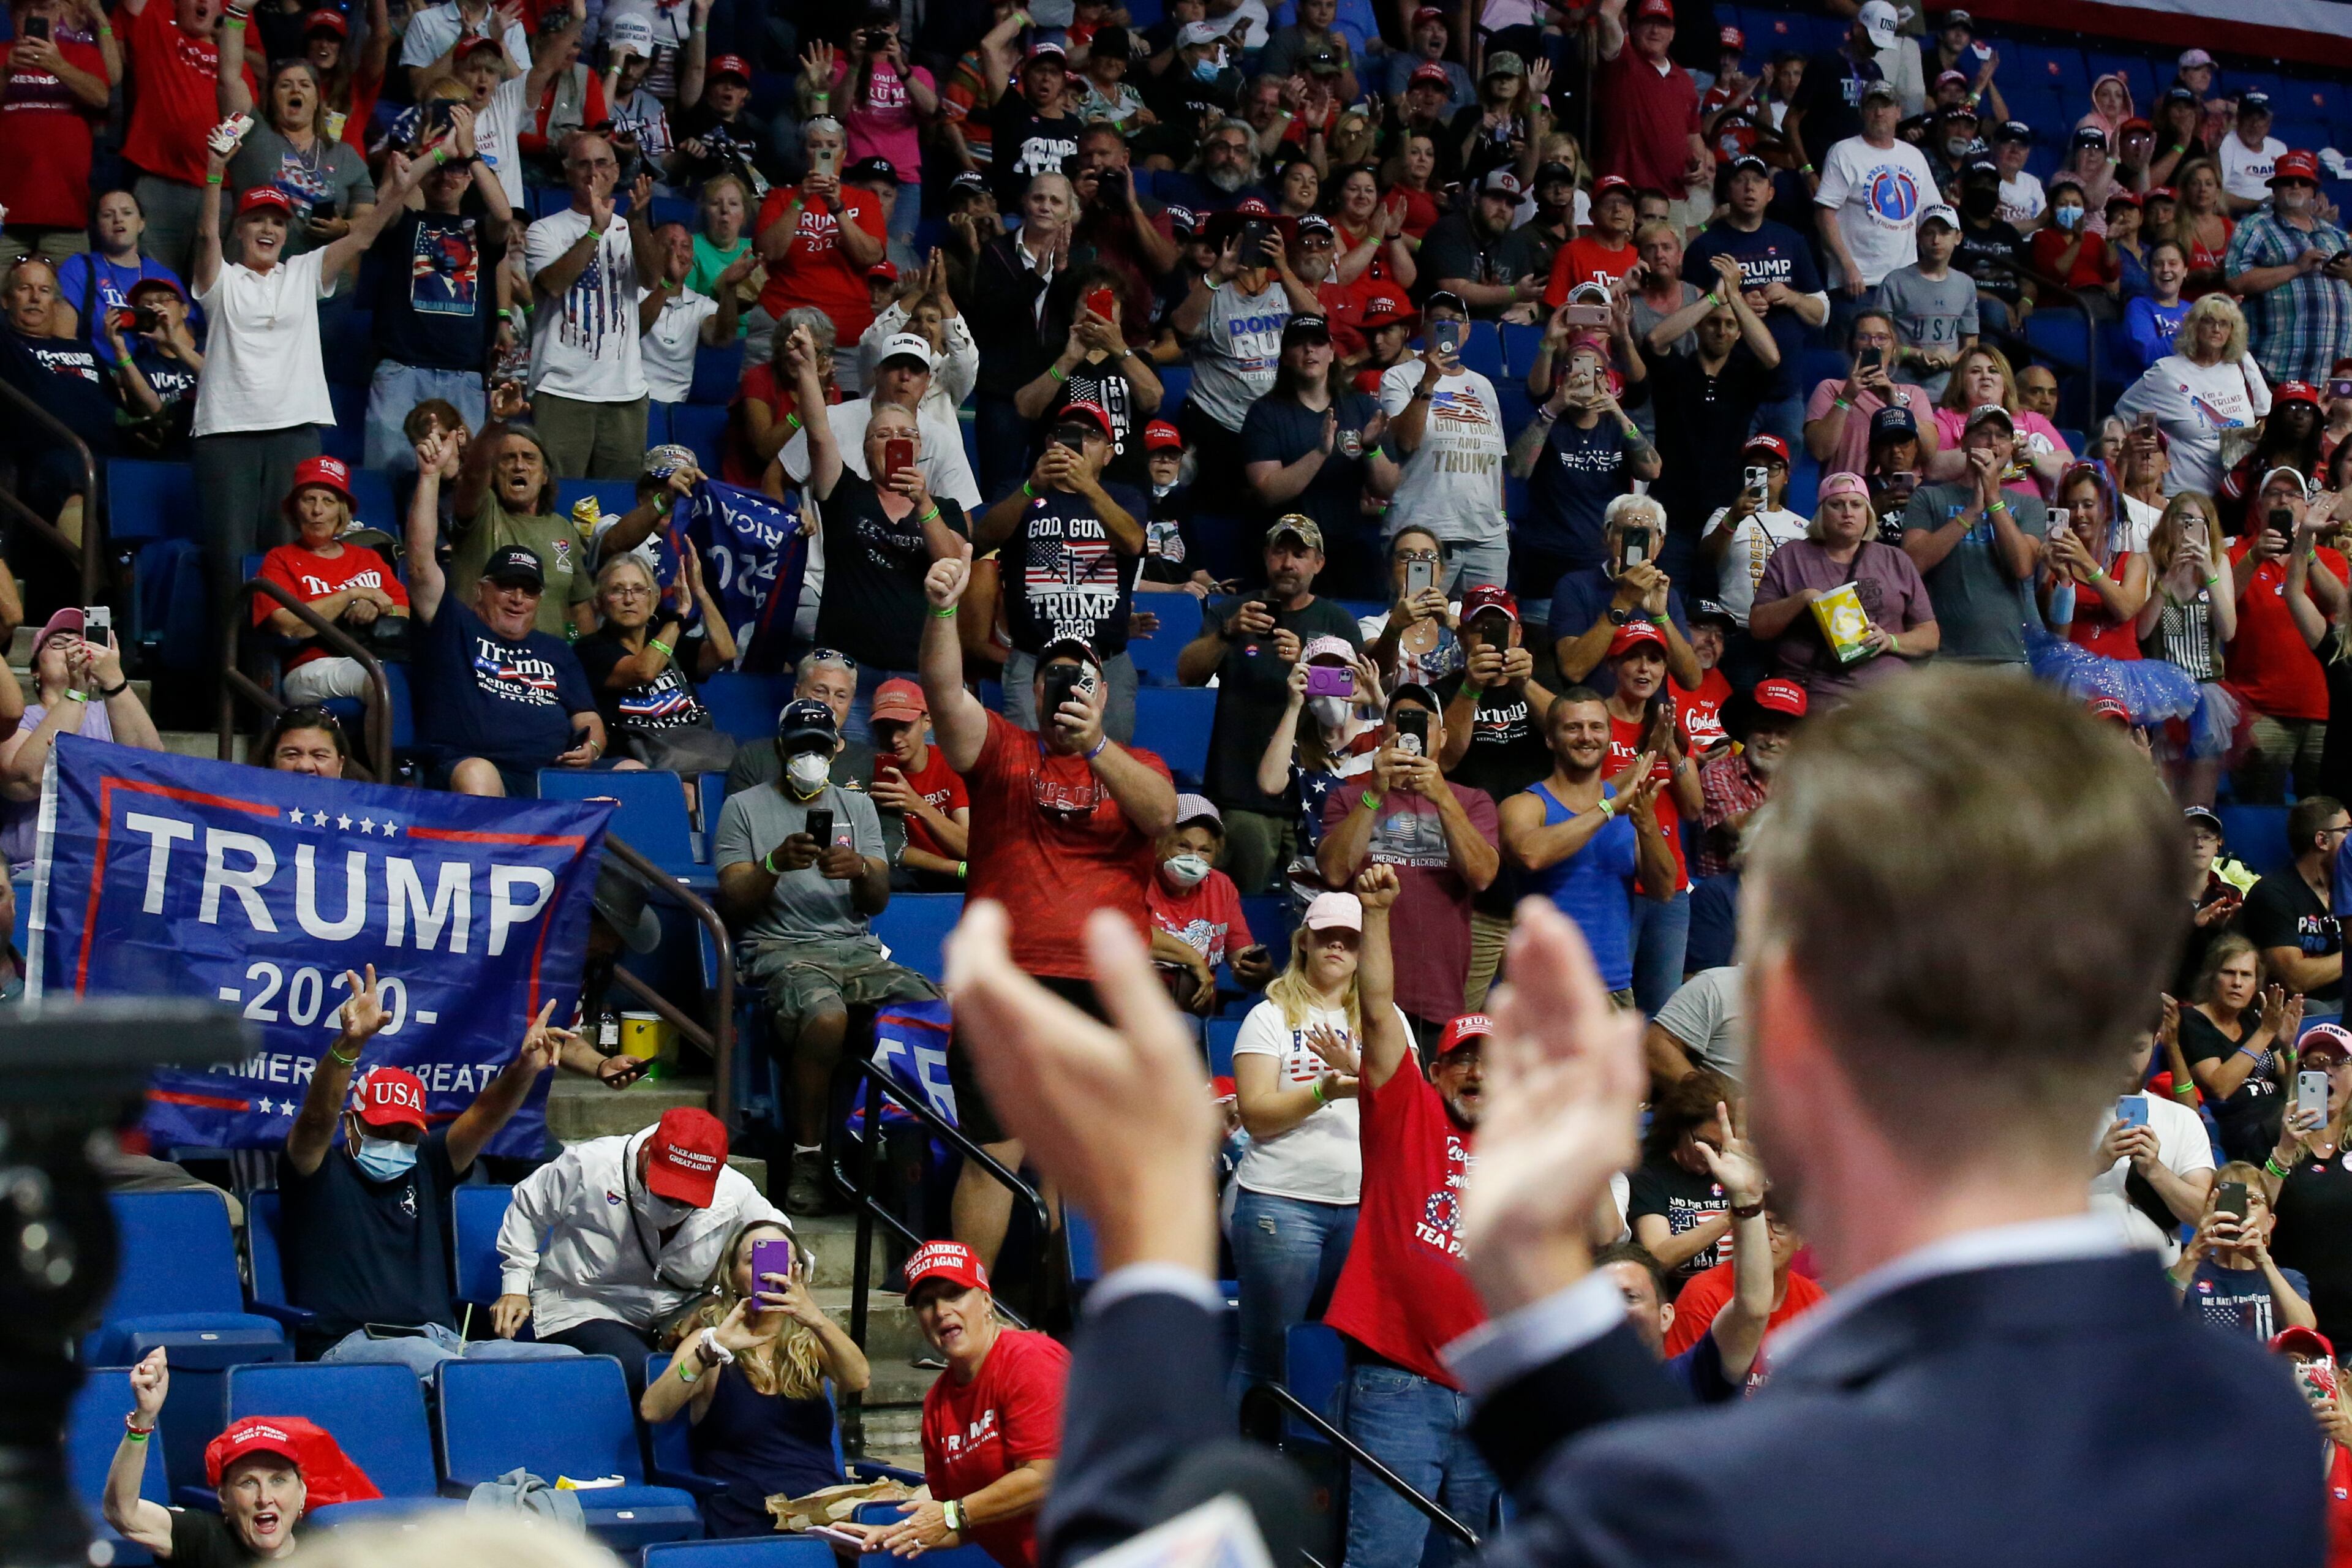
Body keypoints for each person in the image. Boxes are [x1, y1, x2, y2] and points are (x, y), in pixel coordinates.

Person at [918, 538, 1176, 1265]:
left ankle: (1067, 1316)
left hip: (1103, 985)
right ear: (1032, 691)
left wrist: (1096, 747)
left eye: (1080, 677)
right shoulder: (1004, 749)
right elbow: (942, 694)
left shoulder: (1139, 765)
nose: (1064, 687)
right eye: (1052, 675)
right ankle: (969, 1312)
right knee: (994, 1154)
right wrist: (942, 609)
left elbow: (1162, 816)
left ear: (1102, 692)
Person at [1299, 869, 1499, 1568]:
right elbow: (1380, 1009)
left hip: (1492, 1395)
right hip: (1400, 1384)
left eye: (1493, 1063)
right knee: (1383, 1560)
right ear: (1437, 1072)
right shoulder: (1405, 1109)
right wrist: (1378, 913)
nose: (1478, 1072)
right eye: (1462, 1060)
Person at [190, 121, 423, 657]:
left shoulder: (302, 272)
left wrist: (398, 190)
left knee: (289, 566)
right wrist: (214, 175)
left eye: (276, 220)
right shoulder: (220, 279)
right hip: (226, 436)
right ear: (241, 229)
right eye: (257, 221)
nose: (268, 228)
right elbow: (205, 236)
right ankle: (232, 692)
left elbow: (363, 236)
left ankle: (289, 682)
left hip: (294, 433)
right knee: (231, 567)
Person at [715, 696, 940, 1213]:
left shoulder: (857, 806)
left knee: (928, 1006)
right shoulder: (743, 807)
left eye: (819, 747)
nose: (809, 757)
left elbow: (878, 899)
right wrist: (774, 863)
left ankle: (920, 1154)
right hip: (780, 949)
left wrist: (861, 869)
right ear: (780, 749)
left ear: (835, 750)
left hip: (855, 949)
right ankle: (808, 1157)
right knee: (825, 1015)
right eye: (799, 748)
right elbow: (733, 900)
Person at [279, 970, 565, 1363]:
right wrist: (350, 1045)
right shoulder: (314, 1172)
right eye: (383, 1130)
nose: (396, 1143)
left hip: (442, 1341)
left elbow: (486, 1115)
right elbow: (315, 1119)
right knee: (441, 1367)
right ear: (350, 1124)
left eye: (406, 1134)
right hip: (351, 1345)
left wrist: (525, 1069)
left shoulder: (427, 1164)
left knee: (562, 1361)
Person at [1225, 887, 1398, 1387]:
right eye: (1327, 936)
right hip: (1283, 1205)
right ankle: (1240, 1466)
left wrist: (1358, 1072)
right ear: (1304, 942)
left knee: (1337, 1356)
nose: (1337, 947)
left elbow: (1411, 1106)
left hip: (1364, 1207)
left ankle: (1311, 1461)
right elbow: (1256, 1116)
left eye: (1350, 939)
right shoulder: (1269, 1016)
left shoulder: (1387, 1021)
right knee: (1266, 1358)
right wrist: (1324, 1089)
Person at [494, 1107, 786, 1386]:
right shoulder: (590, 1165)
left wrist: (752, 1305)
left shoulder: (734, 1190)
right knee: (648, 1375)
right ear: (648, 1154)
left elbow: (777, 1238)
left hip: (676, 1315)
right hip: (587, 1304)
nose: (674, 1207)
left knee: (739, 1378)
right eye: (668, 1194)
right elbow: (527, 1208)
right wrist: (516, 1286)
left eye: (687, 1201)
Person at [404, 431, 607, 797]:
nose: (517, 599)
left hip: (551, 776)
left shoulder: (558, 651)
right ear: (481, 590)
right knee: (477, 776)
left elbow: (587, 718)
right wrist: (430, 477)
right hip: (478, 771)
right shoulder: (455, 628)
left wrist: (591, 747)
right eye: (506, 587)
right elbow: (420, 566)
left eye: (528, 591)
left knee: (636, 773)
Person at [641, 1219, 870, 1539]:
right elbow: (654, 1409)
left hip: (823, 1520)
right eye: (753, 1261)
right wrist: (706, 1355)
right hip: (746, 1521)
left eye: (783, 1262)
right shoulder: (708, 1341)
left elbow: (858, 1379)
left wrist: (815, 1318)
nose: (768, 1272)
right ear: (732, 1277)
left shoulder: (811, 1341)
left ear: (798, 1274)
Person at [839, 1242, 1063, 1568]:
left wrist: (951, 1513)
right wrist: (893, 1536)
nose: (942, 1311)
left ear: (987, 1300)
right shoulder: (938, 1403)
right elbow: (965, 1522)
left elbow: (1046, 1476)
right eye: (927, 1303)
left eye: (954, 1294)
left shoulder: (1030, 1360)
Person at [1182, 518, 1364, 893]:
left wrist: (1309, 666)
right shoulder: (1233, 612)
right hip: (1242, 795)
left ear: (1319, 563)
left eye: (1300, 554)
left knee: (1317, 914)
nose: (1288, 563)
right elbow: (1187, 674)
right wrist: (1227, 633)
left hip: (1318, 795)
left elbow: (1355, 695)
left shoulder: (1336, 621)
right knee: (1244, 905)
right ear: (1266, 556)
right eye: (1279, 551)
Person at [1316, 685, 1500, 1044]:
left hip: (1438, 996)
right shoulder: (1349, 798)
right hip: (1354, 997)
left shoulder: (1473, 802)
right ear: (1384, 735)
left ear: (1443, 737)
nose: (1410, 734)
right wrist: (1375, 793)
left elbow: (1482, 876)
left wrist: (1442, 796)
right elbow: (1335, 871)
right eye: (1399, 723)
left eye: (1422, 723)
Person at [969, 401, 1146, 739]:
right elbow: (983, 537)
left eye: (1092, 436)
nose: (1078, 443)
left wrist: (1089, 488)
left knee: (1110, 770)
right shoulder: (1017, 490)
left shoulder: (1125, 496)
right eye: (1069, 434)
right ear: (1051, 443)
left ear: (1108, 454)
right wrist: (1032, 487)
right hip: (1032, 657)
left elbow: (1134, 542)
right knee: (1025, 768)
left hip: (1106, 661)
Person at [1500, 685, 1676, 1005]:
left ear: (1609, 737)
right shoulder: (1527, 804)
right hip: (1542, 991)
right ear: (1550, 739)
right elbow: (1531, 854)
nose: (1586, 736)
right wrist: (1608, 809)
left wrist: (1647, 825)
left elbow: (1663, 889)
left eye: (1596, 727)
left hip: (1614, 989)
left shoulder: (1626, 807)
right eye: (1573, 727)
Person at [105, 1359, 376, 1562]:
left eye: (278, 1480)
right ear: (224, 1497)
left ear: (302, 1492)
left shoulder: (324, 1550)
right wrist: (144, 1420)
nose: (264, 1497)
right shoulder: (204, 1537)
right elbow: (123, 1514)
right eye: (248, 1483)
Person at [360, 103, 508, 472]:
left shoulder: (480, 228)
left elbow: (505, 215)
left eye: (457, 172)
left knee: (461, 486)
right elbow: (389, 195)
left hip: (464, 374)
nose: (446, 176)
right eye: (439, 169)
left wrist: (469, 153)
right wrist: (442, 151)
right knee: (388, 475)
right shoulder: (405, 222)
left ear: (471, 177)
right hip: (401, 370)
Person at [524, 140, 660, 480]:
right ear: (568, 173)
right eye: (584, 164)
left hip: (625, 393)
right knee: (555, 495)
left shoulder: (630, 229)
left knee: (619, 502)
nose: (594, 173)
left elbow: (653, 278)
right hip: (561, 390)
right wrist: (597, 229)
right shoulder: (544, 230)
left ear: (616, 173)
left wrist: (639, 220)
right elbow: (554, 283)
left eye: (602, 164)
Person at [1747, 473, 1937, 704]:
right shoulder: (1790, 557)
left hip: (1885, 695)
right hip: (1815, 691)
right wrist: (1803, 599)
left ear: (1868, 513)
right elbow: (1758, 627)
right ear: (1821, 514)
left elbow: (1929, 636)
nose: (1847, 512)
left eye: (1856, 505)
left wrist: (1890, 641)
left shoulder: (1895, 559)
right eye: (1836, 505)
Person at [0, 609, 165, 870]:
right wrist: (76, 693)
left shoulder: (112, 711)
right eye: (58, 643)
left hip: (107, 871)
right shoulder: (18, 718)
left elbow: (151, 770)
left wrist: (114, 679)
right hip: (35, 871)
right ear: (35, 669)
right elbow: (25, 781)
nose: (72, 648)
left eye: (80, 640)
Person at [1508, 325, 1662, 597]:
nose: (1585, 378)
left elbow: (1652, 470)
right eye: (1576, 369)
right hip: (1548, 563)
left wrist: (1617, 412)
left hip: (1605, 563)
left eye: (1595, 371)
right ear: (1562, 378)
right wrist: (1554, 407)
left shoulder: (1618, 427)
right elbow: (1518, 470)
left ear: (1607, 379)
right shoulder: (1546, 422)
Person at [254, 456, 410, 712]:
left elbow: (403, 612)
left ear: (342, 510)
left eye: (328, 501)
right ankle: (384, 755)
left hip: (373, 656)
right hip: (310, 668)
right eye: (309, 500)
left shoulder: (368, 558)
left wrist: (378, 609)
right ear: (295, 508)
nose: (318, 511)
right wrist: (350, 596)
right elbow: (287, 624)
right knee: (382, 678)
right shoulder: (280, 559)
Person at [1896, 402, 2045, 669]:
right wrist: (1972, 512)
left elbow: (2023, 567)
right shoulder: (1930, 497)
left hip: (2009, 654)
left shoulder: (2029, 505)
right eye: (1983, 434)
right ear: (1964, 443)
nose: (1992, 443)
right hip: (1942, 656)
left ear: (2011, 448)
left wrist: (1992, 499)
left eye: (2002, 436)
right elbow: (1912, 564)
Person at [1379, 310, 1507, 595]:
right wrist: (1428, 382)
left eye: (1454, 320)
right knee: (1415, 621)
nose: (1445, 325)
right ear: (1424, 329)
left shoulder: (1484, 385)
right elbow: (1407, 442)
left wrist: (1502, 520)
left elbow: (1496, 461)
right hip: (1422, 533)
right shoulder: (1397, 377)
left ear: (1467, 331)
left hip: (1487, 538)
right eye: (1437, 319)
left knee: (1485, 626)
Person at [575, 552, 739, 774]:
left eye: (639, 590)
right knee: (688, 795)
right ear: (601, 602)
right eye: (617, 590)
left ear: (653, 602)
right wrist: (679, 615)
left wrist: (700, 592)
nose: (629, 599)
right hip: (639, 759)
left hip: (693, 750)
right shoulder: (590, 649)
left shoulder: (670, 642)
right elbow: (643, 671)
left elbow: (726, 652)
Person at [2232, 467, 2340, 802]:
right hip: (2258, 712)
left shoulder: (2329, 558)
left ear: (2306, 508)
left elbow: (2340, 604)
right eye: (2274, 493)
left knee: (2324, 815)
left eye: (2293, 494)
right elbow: (2217, 608)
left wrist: (2305, 552)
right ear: (2259, 506)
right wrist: (2254, 558)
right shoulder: (2236, 553)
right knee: (2256, 812)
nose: (2283, 500)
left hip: (2323, 711)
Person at [750, 117, 888, 371]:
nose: (824, 151)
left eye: (832, 145)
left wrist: (837, 207)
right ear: (805, 152)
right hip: (781, 320)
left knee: (846, 408)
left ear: (844, 153)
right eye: (815, 145)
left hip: (846, 333)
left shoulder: (864, 200)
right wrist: (801, 199)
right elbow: (768, 252)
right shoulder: (781, 197)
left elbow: (870, 256)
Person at [2114, 292, 2272, 497]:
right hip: (2184, 495)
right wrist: (2154, 443)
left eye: (2224, 324)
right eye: (2209, 322)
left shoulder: (2242, 362)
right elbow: (2125, 410)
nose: (2217, 329)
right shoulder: (2166, 372)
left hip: (2235, 496)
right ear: (2195, 326)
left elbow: (2264, 413)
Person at [2087, 1016, 2216, 1259]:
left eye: (2138, 1048)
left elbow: (2203, 1213)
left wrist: (2156, 1171)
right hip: (2085, 1273)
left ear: (2157, 1041)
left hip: (2157, 1277)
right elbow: (2030, 1200)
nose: (2126, 1060)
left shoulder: (2183, 1119)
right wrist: (2096, 1163)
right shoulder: (2062, 1116)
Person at [2225, 152, 2352, 391]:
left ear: (2314, 191)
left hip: (2335, 377)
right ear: (2274, 189)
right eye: (2288, 181)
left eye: (2303, 182)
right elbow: (2236, 281)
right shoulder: (2255, 227)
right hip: (2276, 370)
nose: (2296, 186)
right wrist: (2295, 268)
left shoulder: (2335, 234)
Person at [2261, 1028, 2352, 1350]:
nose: (2327, 1070)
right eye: (2316, 1063)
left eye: (2340, 1062)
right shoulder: (2271, 1134)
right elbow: (2252, 1216)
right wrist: (2284, 1151)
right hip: (2296, 1332)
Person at [1593, 0, 1708, 239]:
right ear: (1634, 28)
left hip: (1672, 199)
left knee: (1671, 270)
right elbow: (1606, 13)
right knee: (1625, 267)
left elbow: (1693, 136)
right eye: (1648, 23)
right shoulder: (1622, 59)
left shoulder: (1686, 82)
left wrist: (1699, 164)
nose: (1655, 31)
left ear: (1673, 32)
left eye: (1663, 24)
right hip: (1626, 193)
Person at [1815, 80, 1937, 303]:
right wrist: (1848, 267)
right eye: (1872, 106)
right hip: (1857, 284)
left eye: (1886, 106)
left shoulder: (1914, 157)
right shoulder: (1844, 152)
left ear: (1898, 112)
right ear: (1862, 112)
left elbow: (1931, 215)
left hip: (1904, 286)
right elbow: (1825, 213)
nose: (1879, 112)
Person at [2181, 933, 2299, 1165]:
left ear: (2256, 985)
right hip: (2239, 1127)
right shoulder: (2192, 1020)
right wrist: (2266, 1033)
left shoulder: (2253, 1020)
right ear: (2212, 976)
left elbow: (2292, 1087)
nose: (2237, 983)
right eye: (2229, 973)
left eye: (2246, 975)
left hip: (2278, 1116)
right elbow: (2220, 1086)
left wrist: (2287, 1047)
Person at [2242, 794, 2348, 1022]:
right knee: (2314, 1009)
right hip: (2292, 1009)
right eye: (2347, 831)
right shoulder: (2274, 894)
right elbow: (2295, 978)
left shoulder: (2345, 888)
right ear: (2322, 840)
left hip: (2342, 998)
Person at [1694, 675, 1806, 879]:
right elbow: (1741, 829)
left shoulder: (1802, 779)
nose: (1772, 741)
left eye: (1783, 734)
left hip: (1783, 892)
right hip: (1725, 892)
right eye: (1764, 729)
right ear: (1747, 729)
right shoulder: (1717, 773)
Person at [1801, 310, 1936, 478]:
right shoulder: (1830, 389)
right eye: (1864, 337)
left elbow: (1930, 452)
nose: (1873, 345)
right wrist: (1847, 398)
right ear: (1852, 346)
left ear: (1894, 348)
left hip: (1899, 494)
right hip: (1848, 496)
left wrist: (1896, 404)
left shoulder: (1914, 394)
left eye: (1882, 338)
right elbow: (1820, 451)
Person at [866, 679, 970, 892]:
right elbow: (883, 849)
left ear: (927, 722)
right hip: (905, 874)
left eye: (904, 727)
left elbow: (969, 848)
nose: (894, 739)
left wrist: (917, 805)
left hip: (959, 875)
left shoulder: (950, 763)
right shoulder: (868, 772)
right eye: (885, 728)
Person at [1701, 434, 1808, 635]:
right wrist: (1732, 520)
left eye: (1773, 468)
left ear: (1786, 476)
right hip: (1737, 629)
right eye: (1755, 468)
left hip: (1789, 632)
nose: (1764, 475)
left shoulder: (1804, 526)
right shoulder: (1724, 514)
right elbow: (1706, 561)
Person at [2217, 89, 2285, 214]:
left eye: (2261, 119)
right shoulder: (2226, 144)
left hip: (2277, 215)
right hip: (2239, 216)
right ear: (2239, 118)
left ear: (2269, 122)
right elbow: (2216, 195)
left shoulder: (2279, 148)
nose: (2255, 125)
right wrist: (2258, 204)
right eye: (2249, 117)